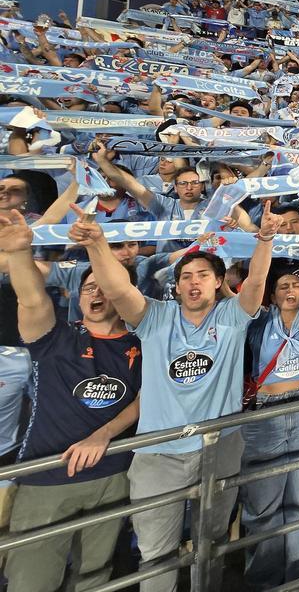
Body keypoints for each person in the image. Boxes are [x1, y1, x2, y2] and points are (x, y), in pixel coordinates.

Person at [67, 200, 277, 592]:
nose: (194, 282)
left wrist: (263, 240)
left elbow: (257, 285)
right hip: (157, 454)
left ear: (218, 282)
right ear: (176, 285)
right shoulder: (154, 317)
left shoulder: (230, 318)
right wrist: (96, 244)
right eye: (186, 276)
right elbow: (116, 287)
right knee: (156, 554)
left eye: (203, 275)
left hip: (220, 448)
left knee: (210, 545)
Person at [0, 209, 141, 592]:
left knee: (95, 577)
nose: (96, 293)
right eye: (88, 287)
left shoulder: (141, 344)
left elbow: (149, 396)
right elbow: (31, 299)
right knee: (32, 581)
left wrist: (104, 434)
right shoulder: (54, 336)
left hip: (111, 476)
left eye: (105, 286)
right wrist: (18, 254)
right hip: (45, 478)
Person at [239, 268, 299, 591]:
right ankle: (264, 584)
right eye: (283, 286)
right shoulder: (257, 321)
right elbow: (231, 297)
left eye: (296, 285)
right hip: (265, 415)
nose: (291, 290)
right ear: (272, 294)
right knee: (263, 506)